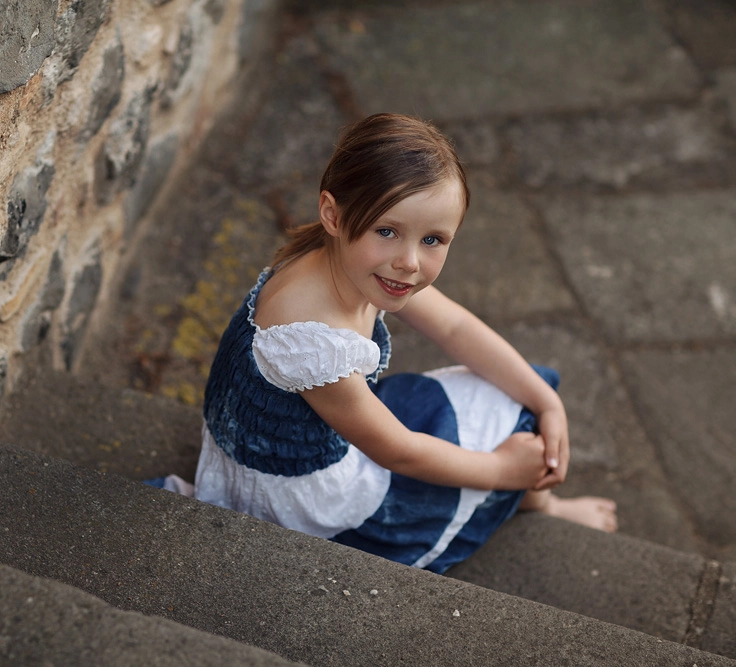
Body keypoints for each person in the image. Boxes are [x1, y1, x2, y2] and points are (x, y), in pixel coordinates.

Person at [189, 113, 617, 574]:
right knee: (506, 425)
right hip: (303, 497)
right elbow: (397, 450)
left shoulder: (355, 263)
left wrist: (547, 401)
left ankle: (534, 498)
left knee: (519, 394)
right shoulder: (309, 337)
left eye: (433, 239)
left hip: (327, 427)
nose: (410, 262)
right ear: (333, 214)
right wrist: (498, 470)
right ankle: (531, 499)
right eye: (387, 231)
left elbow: (454, 329)